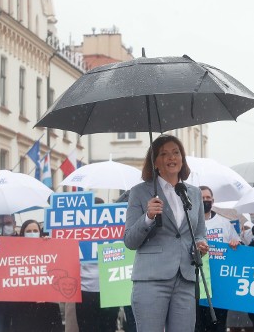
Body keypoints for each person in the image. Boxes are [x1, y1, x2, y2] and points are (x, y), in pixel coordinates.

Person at [124, 135, 208, 332]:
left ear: (182, 158)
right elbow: (129, 241)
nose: (172, 157)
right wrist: (148, 217)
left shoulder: (194, 193)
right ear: (155, 162)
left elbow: (199, 233)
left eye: (176, 152)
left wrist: (200, 244)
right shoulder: (139, 192)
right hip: (151, 280)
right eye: (164, 154)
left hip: (185, 278)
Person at [197, 185, 240, 332]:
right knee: (197, 326)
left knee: (218, 326)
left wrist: (235, 244)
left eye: (208, 198)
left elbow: (238, 247)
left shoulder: (224, 223)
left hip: (219, 285)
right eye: (202, 198)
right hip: (197, 285)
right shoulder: (189, 223)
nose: (205, 200)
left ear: (213, 200)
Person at [75, 197, 121, 331]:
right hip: (85, 292)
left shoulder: (114, 231)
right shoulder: (77, 233)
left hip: (109, 290)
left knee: (108, 328)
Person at [10, 219, 64, 331]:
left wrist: (50, 244)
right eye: (28, 231)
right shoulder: (14, 251)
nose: (32, 233)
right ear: (22, 233)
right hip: (23, 308)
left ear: (40, 232)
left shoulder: (47, 247)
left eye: (35, 230)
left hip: (47, 306)